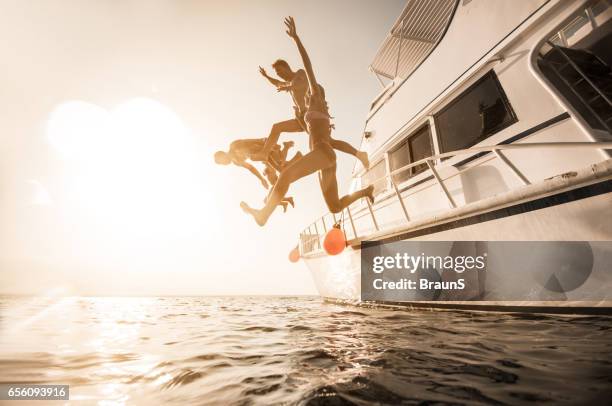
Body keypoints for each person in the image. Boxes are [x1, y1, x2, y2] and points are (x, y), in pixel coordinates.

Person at [241, 17, 374, 226]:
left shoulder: (316, 100)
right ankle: (366, 191)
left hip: (323, 153)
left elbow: (308, 66)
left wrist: (296, 38)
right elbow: (284, 84)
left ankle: (264, 214)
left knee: (285, 175)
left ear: (316, 94)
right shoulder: (307, 113)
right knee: (334, 207)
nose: (304, 95)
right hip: (325, 159)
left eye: (309, 92)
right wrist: (269, 78)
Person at [258, 60, 369, 170]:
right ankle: (263, 154)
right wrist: (266, 76)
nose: (280, 75)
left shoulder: (299, 74)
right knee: (277, 127)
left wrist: (289, 87)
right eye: (278, 73)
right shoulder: (289, 82)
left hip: (312, 116)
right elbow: (277, 82)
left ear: (287, 67)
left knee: (327, 142)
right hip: (301, 119)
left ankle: (358, 154)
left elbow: (303, 84)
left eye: (280, 71)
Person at [215, 138, 296, 211]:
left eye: (222, 162)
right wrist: (261, 178)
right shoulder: (236, 162)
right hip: (263, 157)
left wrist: (268, 144)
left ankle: (288, 148)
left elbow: (250, 141)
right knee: (281, 164)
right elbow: (250, 167)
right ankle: (287, 147)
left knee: (280, 162)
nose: (224, 164)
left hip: (264, 147)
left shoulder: (233, 146)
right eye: (222, 164)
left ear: (223, 155)